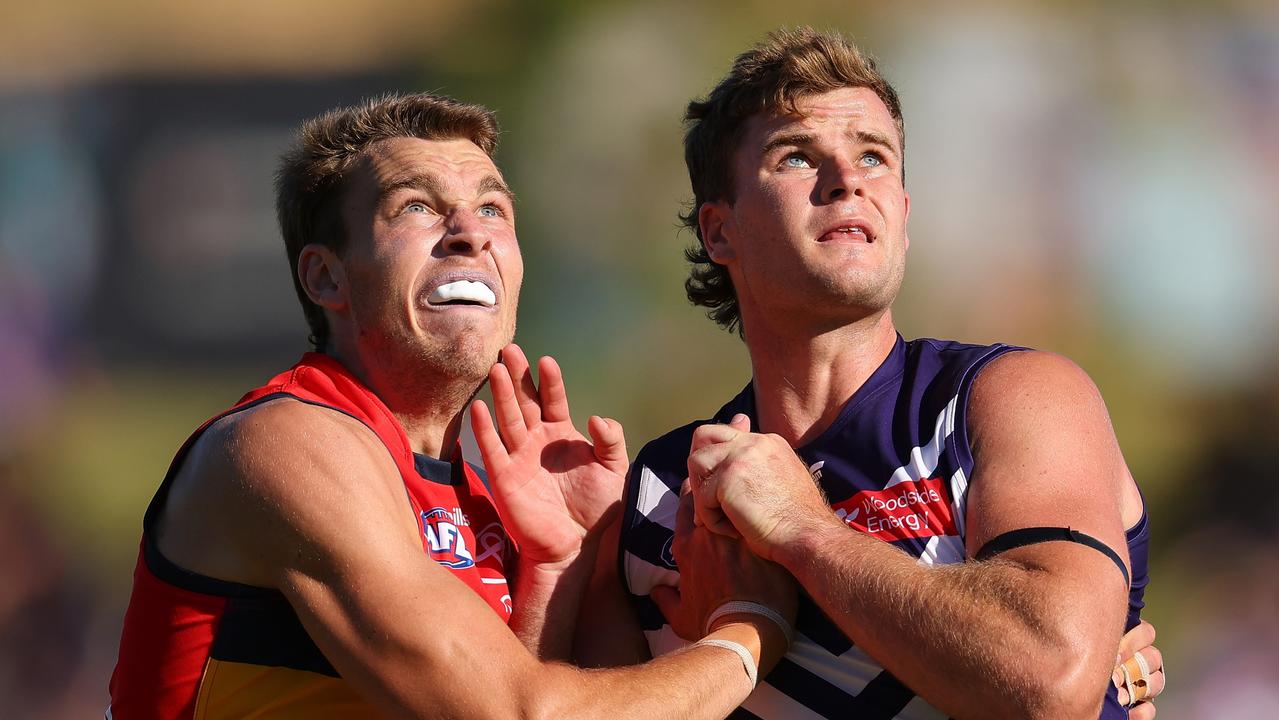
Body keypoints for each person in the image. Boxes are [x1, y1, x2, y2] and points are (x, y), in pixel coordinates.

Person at [106, 93, 798, 719]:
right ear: (325, 276)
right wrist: (750, 629)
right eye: (416, 207)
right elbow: (520, 714)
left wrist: (570, 561)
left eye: (493, 209)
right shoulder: (285, 444)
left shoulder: (487, 494)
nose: (472, 233)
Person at [581, 28, 1165, 720]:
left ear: (903, 217)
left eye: (873, 156)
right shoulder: (658, 492)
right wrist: (568, 563)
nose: (846, 179)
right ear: (719, 231)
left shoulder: (1010, 397)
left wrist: (804, 531)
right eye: (796, 157)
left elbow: (1048, 678)